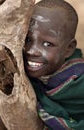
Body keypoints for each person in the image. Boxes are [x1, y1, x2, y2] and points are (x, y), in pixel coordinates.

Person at [23, 0, 84, 129]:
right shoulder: (18, 70)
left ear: (69, 49)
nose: (31, 51)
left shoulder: (79, 82)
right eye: (27, 39)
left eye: (47, 44)